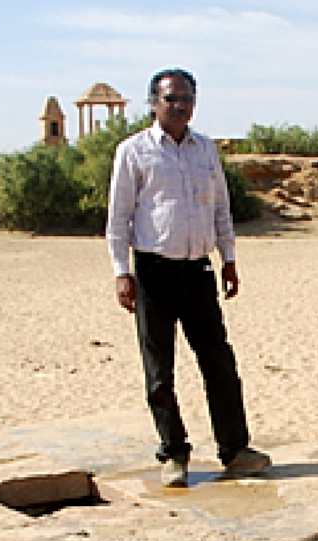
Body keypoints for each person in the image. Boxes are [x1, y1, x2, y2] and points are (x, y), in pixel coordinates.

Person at [106, 68, 272, 488]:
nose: (179, 106)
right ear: (153, 102)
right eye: (170, 99)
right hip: (153, 273)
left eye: (186, 98)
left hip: (198, 271)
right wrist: (122, 273)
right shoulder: (133, 152)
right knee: (159, 370)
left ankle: (235, 450)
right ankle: (174, 455)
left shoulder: (205, 151)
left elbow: (221, 209)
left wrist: (228, 258)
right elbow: (119, 218)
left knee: (219, 362)